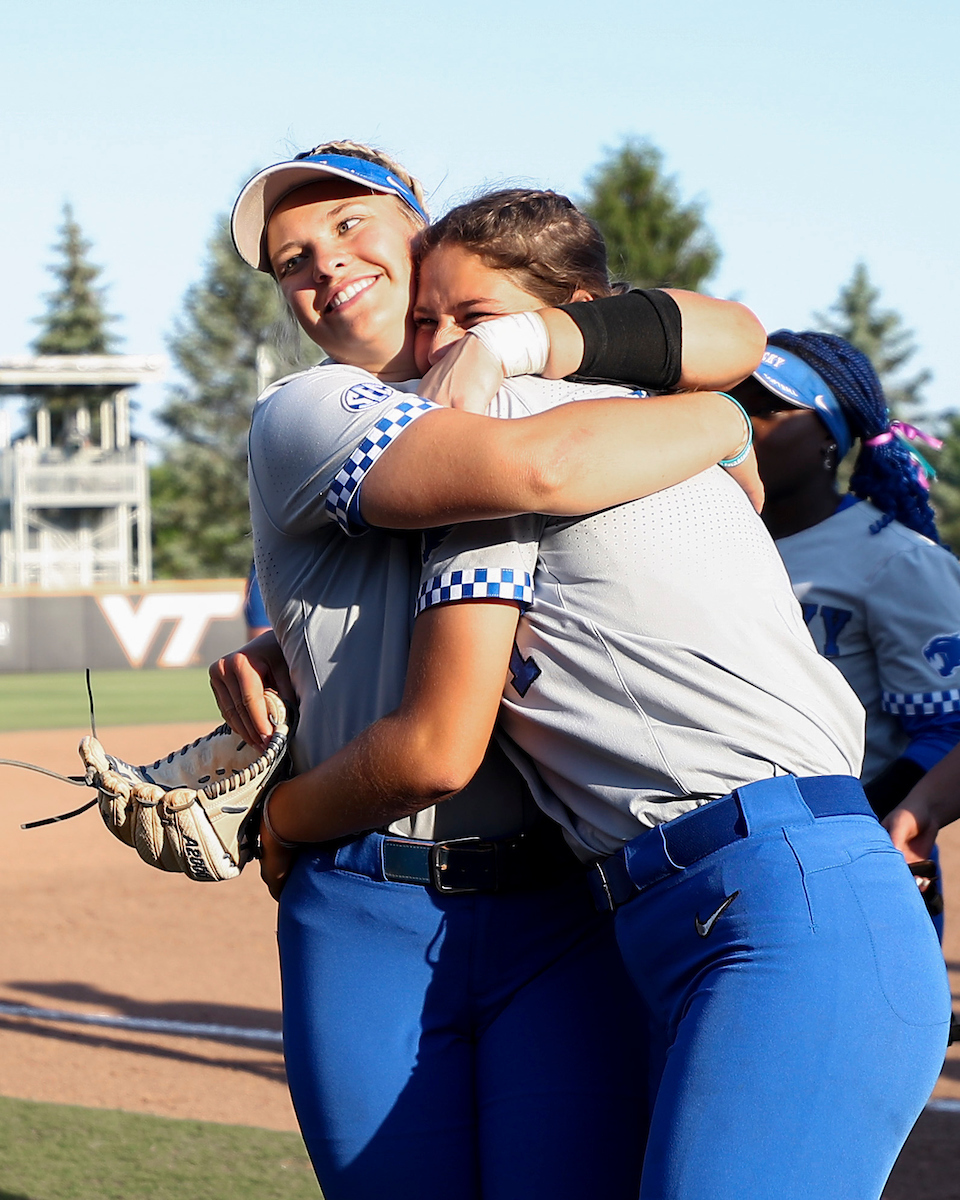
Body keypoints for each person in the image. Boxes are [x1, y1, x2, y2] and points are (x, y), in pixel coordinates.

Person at [261, 189, 951, 1200]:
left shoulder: (545, 440)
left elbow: (440, 741)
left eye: (474, 318)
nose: (451, 343)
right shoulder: (619, 435)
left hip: (775, 892)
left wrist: (279, 823)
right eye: (432, 324)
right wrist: (718, 418)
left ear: (572, 322)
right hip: (689, 905)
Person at [220, 143, 766, 1200]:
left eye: (349, 225)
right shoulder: (308, 407)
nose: (323, 263)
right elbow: (531, 469)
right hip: (370, 902)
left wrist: (526, 340)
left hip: (559, 905)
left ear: (421, 233)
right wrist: (719, 418)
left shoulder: (511, 376)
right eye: (292, 258)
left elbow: (737, 334)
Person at [730, 332, 960, 929]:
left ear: (829, 440)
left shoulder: (896, 559)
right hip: (720, 864)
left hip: (854, 871)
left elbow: (946, 732)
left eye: (772, 407)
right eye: (736, 399)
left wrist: (847, 827)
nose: (745, 422)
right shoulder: (708, 541)